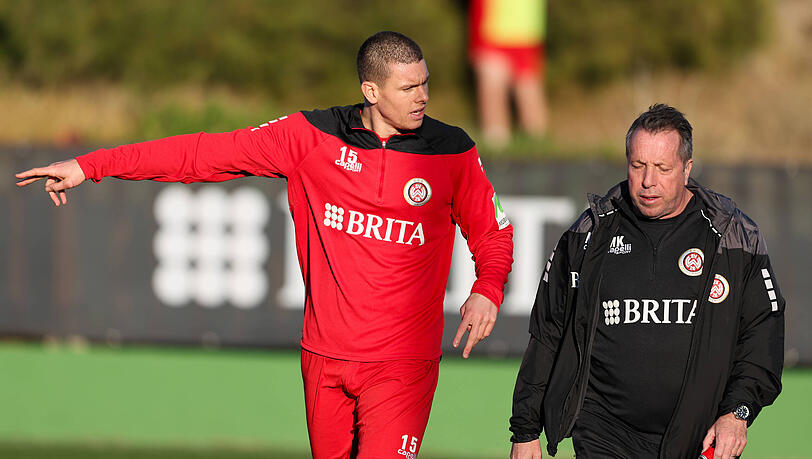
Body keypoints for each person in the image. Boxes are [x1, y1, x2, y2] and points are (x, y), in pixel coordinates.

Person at [16, 31, 514, 459]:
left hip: (402, 363)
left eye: (425, 83)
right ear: (371, 89)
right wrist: (91, 165)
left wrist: (487, 288)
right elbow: (202, 154)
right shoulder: (311, 137)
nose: (422, 96)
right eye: (408, 87)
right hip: (324, 357)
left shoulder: (451, 150)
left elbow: (493, 230)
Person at [508, 104, 784, 458]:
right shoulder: (589, 233)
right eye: (637, 166)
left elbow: (762, 337)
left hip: (697, 437)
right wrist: (525, 428)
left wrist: (738, 412)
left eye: (662, 168)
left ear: (687, 169)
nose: (648, 181)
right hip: (602, 431)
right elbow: (548, 332)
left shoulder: (732, 236)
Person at [468, 0, 548, 148]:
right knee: (500, 85)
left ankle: (536, 145)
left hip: (518, 28)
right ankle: (499, 143)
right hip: (503, 27)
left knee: (525, 90)